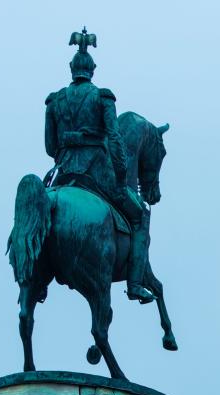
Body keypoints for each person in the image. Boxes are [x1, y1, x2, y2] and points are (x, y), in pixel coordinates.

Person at [45, 29, 154, 304]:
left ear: (71, 69)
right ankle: (135, 284)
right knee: (140, 215)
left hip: (63, 173)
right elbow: (114, 137)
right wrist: (119, 170)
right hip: (97, 171)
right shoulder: (103, 98)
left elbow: (49, 146)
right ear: (93, 70)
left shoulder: (55, 100)